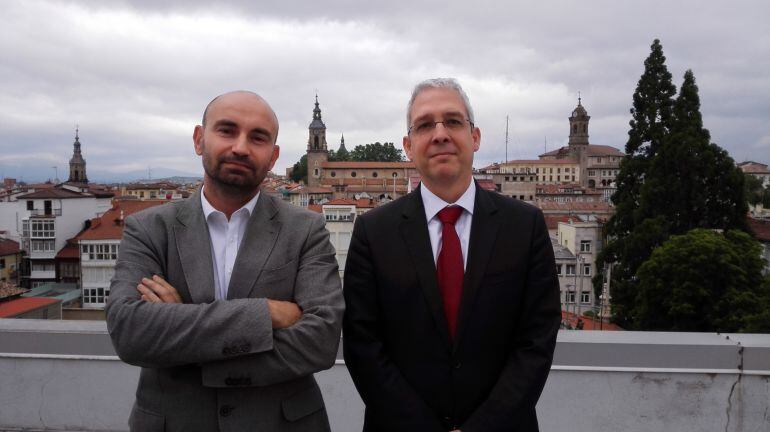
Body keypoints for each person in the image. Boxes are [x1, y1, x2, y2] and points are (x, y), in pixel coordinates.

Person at [106, 91, 344, 432]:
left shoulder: (307, 230)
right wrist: (267, 313)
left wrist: (180, 328)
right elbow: (130, 332)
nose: (241, 147)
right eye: (227, 130)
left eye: (258, 137)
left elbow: (320, 342)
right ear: (199, 140)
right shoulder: (149, 227)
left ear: (273, 156)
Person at [343, 78, 560, 432]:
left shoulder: (525, 225)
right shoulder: (372, 231)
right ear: (408, 146)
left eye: (453, 121)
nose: (440, 133)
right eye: (425, 125)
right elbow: (362, 344)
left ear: (475, 137)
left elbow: (536, 341)